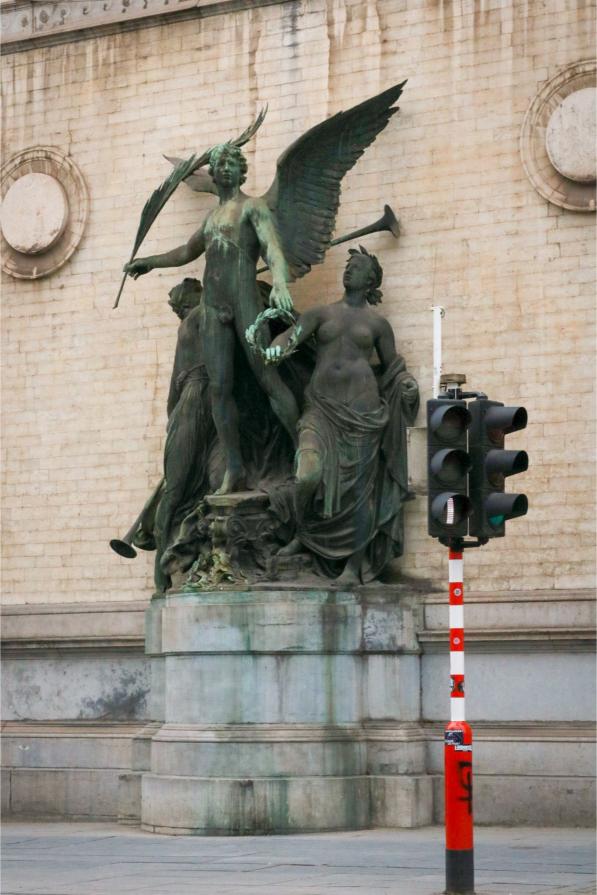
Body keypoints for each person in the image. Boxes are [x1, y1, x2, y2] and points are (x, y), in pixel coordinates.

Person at [124, 143, 300, 494]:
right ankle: (234, 468)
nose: (226, 169)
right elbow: (186, 251)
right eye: (220, 165)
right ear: (214, 175)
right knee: (219, 389)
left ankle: (300, 451)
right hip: (213, 305)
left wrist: (280, 283)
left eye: (232, 163)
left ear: (241, 171)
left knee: (268, 378)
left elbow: (273, 250)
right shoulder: (211, 219)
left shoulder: (253, 207)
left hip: (245, 301)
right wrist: (150, 262)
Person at [266, 247, 419, 585]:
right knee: (307, 474)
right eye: (348, 265)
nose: (349, 270)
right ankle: (302, 533)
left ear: (371, 280)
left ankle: (353, 565)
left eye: (357, 267)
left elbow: (393, 368)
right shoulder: (321, 314)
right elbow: (291, 337)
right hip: (321, 409)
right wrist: (276, 345)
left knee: (360, 493)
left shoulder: (378, 324)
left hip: (363, 415)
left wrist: (407, 385)